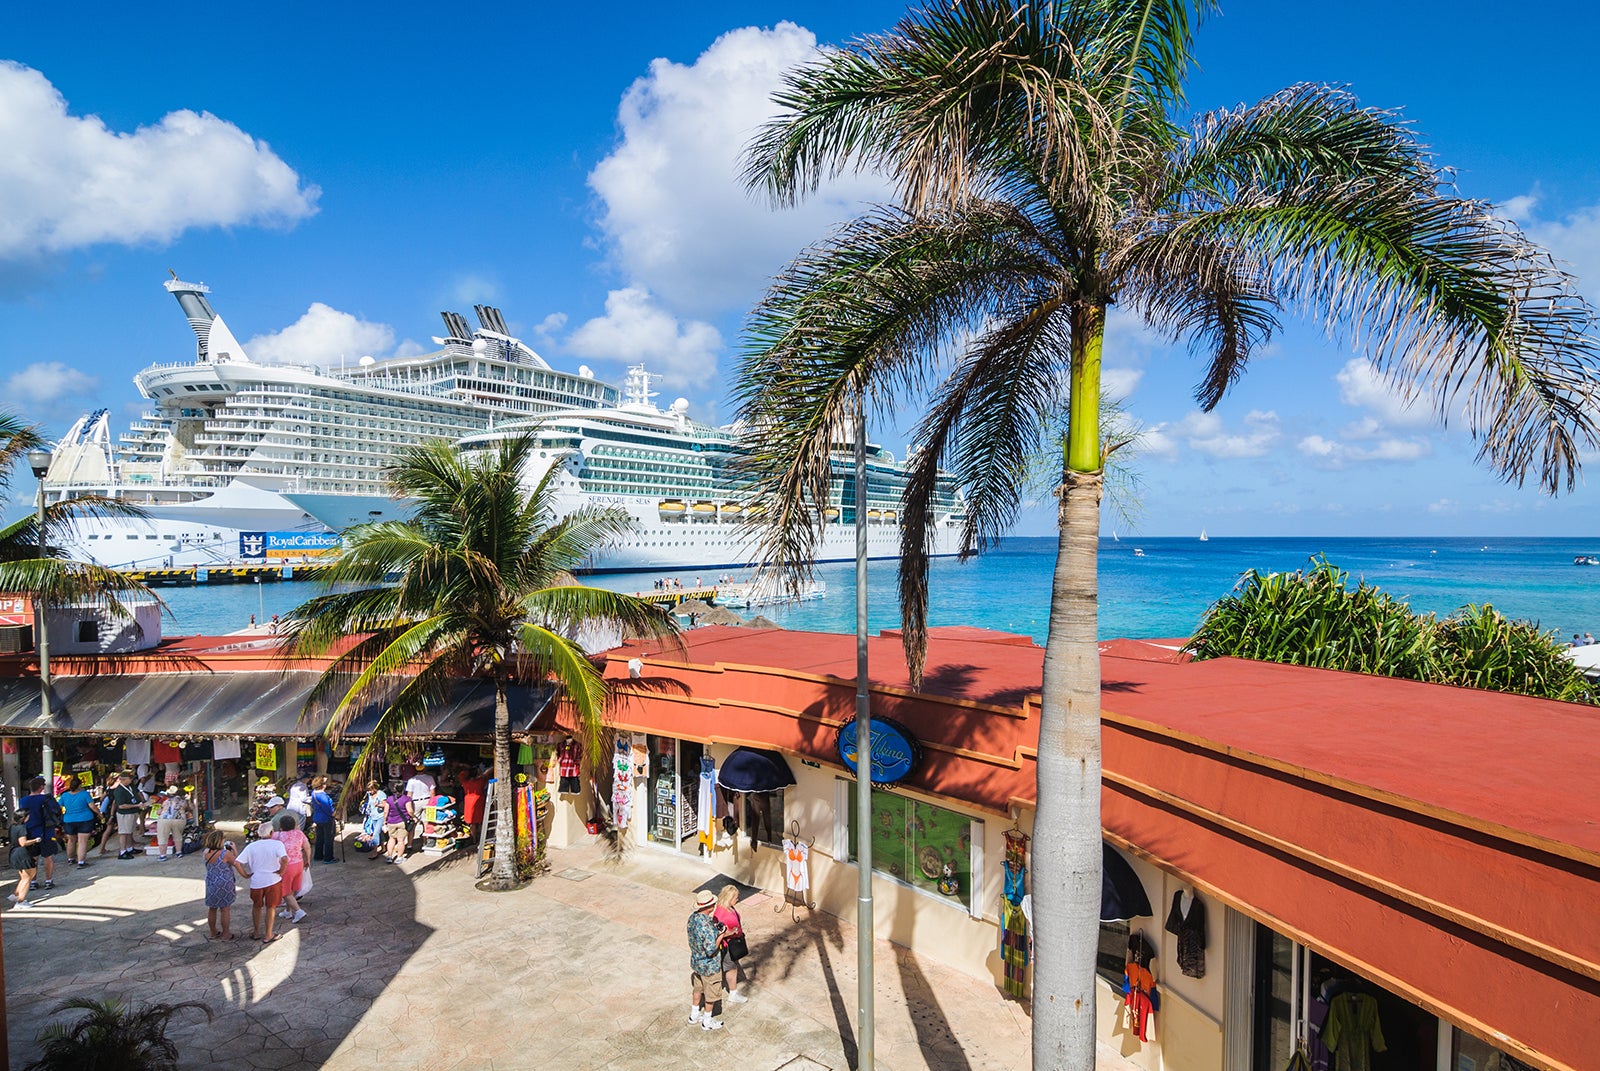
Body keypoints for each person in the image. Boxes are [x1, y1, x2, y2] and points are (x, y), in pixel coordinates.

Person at [233, 823, 288, 942]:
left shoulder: (251, 846)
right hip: (273, 879)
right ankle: (269, 934)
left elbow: (237, 863)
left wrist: (245, 875)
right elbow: (284, 859)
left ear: (258, 833)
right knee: (271, 907)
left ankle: (256, 932)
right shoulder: (277, 844)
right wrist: (282, 871)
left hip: (256, 881)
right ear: (272, 833)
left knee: (257, 906)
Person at [17, 776, 64, 890]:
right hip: (46, 831)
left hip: (29, 832)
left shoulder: (23, 800)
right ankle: (48, 880)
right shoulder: (46, 799)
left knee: (33, 857)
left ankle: (33, 881)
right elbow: (57, 811)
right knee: (48, 857)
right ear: (41, 787)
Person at [688, 889, 725, 1030]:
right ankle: (707, 1021)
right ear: (709, 906)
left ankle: (694, 1015)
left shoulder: (693, 918)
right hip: (710, 966)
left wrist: (714, 930)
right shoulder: (706, 926)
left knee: (698, 988)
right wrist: (721, 934)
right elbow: (711, 950)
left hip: (697, 962)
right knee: (711, 994)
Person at [271, 812, 310, 924]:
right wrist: (307, 860)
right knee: (291, 889)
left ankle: (298, 911)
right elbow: (307, 847)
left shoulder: (277, 835)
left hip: (286, 866)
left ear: (281, 826)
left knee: (285, 892)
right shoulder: (299, 834)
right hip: (299, 863)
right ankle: (288, 911)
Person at [714, 885, 750, 1003]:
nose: (738, 899)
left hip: (734, 943)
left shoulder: (730, 907)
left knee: (733, 966)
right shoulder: (720, 913)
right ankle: (733, 994)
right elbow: (717, 934)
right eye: (736, 897)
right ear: (729, 898)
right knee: (731, 969)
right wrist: (731, 932)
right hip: (727, 945)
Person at [202, 830, 238, 939]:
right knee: (225, 909)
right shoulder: (225, 853)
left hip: (211, 882)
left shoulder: (205, 853)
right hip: (225, 882)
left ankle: (213, 932)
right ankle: (226, 933)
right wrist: (234, 849)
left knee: (212, 908)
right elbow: (236, 862)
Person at [59, 776, 100, 868]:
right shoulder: (85, 794)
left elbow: (59, 806)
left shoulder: (64, 795)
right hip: (84, 819)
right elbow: (92, 806)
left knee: (71, 840)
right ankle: (81, 862)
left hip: (69, 820)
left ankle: (70, 859)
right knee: (82, 841)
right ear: (80, 785)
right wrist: (99, 813)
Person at [109, 770, 149, 859]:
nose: (131, 780)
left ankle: (129, 848)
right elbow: (121, 806)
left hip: (133, 812)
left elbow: (138, 793)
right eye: (129, 779)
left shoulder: (130, 786)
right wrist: (136, 805)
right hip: (124, 814)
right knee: (124, 833)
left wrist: (143, 802)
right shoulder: (119, 791)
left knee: (130, 831)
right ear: (123, 780)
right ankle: (122, 851)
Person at [154, 786, 190, 861]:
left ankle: (163, 855)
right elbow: (189, 808)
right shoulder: (183, 801)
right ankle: (179, 852)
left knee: (162, 837)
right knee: (178, 836)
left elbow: (159, 812)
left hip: (165, 820)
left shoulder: (165, 801)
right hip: (179, 819)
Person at [8, 818, 38, 909]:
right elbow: (23, 842)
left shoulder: (12, 827)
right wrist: (35, 840)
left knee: (26, 875)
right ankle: (20, 901)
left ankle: (16, 894)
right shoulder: (22, 828)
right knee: (27, 878)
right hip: (22, 853)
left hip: (14, 852)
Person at [310, 776, 339, 863]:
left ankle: (318, 855)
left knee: (320, 838)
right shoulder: (322, 796)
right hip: (326, 819)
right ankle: (328, 857)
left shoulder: (314, 793)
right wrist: (334, 815)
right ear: (322, 785)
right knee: (328, 838)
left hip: (318, 818)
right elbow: (328, 809)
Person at [458, 766, 488, 838]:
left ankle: (474, 839)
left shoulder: (465, 782)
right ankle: (482, 838)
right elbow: (485, 775)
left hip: (468, 801)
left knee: (472, 823)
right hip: (479, 800)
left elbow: (460, 776)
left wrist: (465, 767)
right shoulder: (480, 781)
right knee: (481, 821)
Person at [382, 789, 410, 863]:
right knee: (401, 840)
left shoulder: (389, 799)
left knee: (391, 839)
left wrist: (385, 821)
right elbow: (410, 811)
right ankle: (399, 858)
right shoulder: (406, 799)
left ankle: (389, 857)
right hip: (402, 822)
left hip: (391, 822)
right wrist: (413, 817)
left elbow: (385, 812)